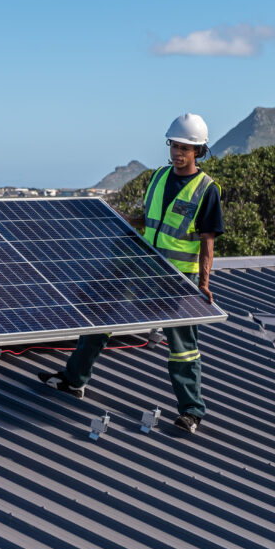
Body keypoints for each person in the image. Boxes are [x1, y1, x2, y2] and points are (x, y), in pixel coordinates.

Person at [38, 113, 223, 434]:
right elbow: (150, 220)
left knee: (183, 347)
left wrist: (204, 284)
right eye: (175, 146)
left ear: (199, 152)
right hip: (140, 267)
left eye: (185, 148)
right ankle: (73, 380)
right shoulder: (159, 178)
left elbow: (208, 240)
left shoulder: (206, 190)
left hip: (177, 280)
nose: (178, 153)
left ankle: (192, 411)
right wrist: (121, 218)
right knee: (101, 319)